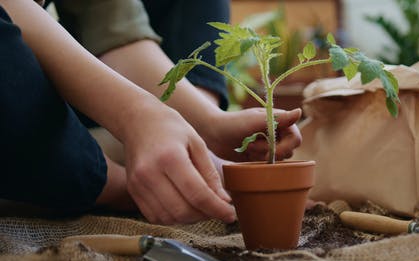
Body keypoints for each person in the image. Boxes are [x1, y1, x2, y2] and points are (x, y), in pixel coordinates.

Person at [0, 0, 302, 225]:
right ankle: (121, 184)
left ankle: (185, 153)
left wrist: (208, 123)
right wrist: (135, 115)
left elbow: (116, 29)